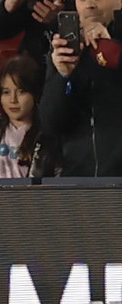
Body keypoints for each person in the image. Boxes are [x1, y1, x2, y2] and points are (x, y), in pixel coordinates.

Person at [40, 0, 122, 176]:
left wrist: (113, 51)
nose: (90, 5)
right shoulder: (65, 51)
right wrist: (63, 76)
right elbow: (50, 125)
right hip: (79, 181)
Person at [0, 54, 58, 178]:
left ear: (35, 94)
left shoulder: (47, 138)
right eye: (6, 92)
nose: (13, 100)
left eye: (21, 92)